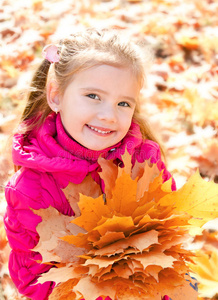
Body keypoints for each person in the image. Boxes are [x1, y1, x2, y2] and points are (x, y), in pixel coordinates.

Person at [4, 28, 176, 300]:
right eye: (93, 96)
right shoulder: (29, 189)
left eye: (123, 103)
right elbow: (34, 279)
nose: (109, 115)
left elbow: (168, 238)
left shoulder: (143, 159)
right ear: (56, 95)